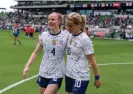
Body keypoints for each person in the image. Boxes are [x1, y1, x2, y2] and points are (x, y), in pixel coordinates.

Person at [23, 12, 69, 94]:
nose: (50, 21)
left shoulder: (66, 35)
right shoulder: (44, 36)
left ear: (59, 21)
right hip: (44, 71)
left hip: (57, 73)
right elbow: (35, 53)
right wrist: (27, 66)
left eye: (53, 19)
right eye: (49, 19)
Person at [65, 12, 102, 94]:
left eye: (70, 26)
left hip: (80, 76)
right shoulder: (68, 35)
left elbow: (92, 60)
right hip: (69, 75)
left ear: (78, 25)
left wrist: (97, 77)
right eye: (66, 25)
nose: (68, 28)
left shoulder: (85, 39)